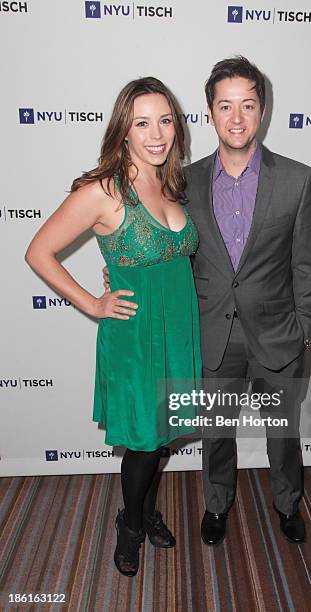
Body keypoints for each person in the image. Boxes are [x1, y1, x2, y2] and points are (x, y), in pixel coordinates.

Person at [104, 57, 311, 546]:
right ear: (209, 113)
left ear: (262, 111)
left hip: (279, 335)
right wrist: (117, 274)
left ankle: (288, 503)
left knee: (283, 433)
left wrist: (307, 329)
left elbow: (308, 266)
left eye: (248, 105)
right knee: (216, 434)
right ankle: (216, 504)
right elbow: (161, 243)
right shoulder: (182, 182)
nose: (237, 117)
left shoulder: (299, 180)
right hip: (212, 335)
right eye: (226, 106)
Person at [25, 77, 202, 577]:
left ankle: (146, 510)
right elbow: (39, 252)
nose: (156, 133)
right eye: (142, 122)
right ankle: (131, 524)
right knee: (144, 443)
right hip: (135, 337)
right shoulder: (102, 191)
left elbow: (168, 257)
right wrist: (93, 303)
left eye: (165, 120)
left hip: (177, 333)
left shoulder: (170, 181)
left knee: (161, 435)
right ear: (123, 129)